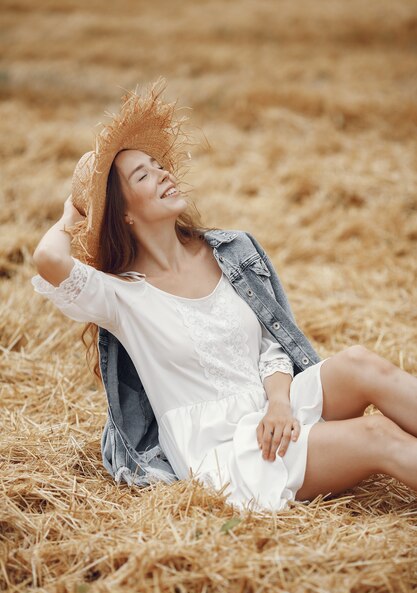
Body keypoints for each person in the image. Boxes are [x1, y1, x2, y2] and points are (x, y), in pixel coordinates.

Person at [31, 78, 417, 513]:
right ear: (122, 211)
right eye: (143, 174)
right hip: (227, 450)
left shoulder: (229, 251)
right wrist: (74, 213)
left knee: (360, 363)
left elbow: (272, 347)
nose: (163, 173)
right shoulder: (121, 297)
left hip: (274, 410)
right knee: (377, 434)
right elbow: (48, 258)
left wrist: (279, 403)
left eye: (159, 164)